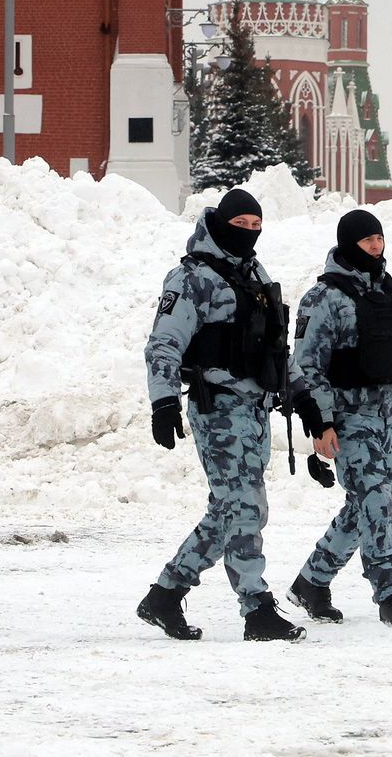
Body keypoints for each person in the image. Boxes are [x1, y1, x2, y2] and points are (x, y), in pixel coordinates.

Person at [136, 188, 306, 643]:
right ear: (220, 224)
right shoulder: (192, 279)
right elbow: (164, 343)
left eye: (256, 226)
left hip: (255, 409)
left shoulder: (253, 274)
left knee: (229, 510)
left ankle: (166, 594)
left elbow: (272, 342)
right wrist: (163, 400)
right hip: (218, 407)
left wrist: (301, 394)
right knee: (246, 507)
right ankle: (257, 610)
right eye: (241, 225)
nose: (249, 234)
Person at [286, 208, 392, 628]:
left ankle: (311, 582)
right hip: (350, 418)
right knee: (375, 502)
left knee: (367, 505)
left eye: (380, 239)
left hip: (391, 417)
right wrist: (321, 422)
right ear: (349, 243)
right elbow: (307, 366)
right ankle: (390, 593)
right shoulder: (324, 298)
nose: (376, 246)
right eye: (367, 240)